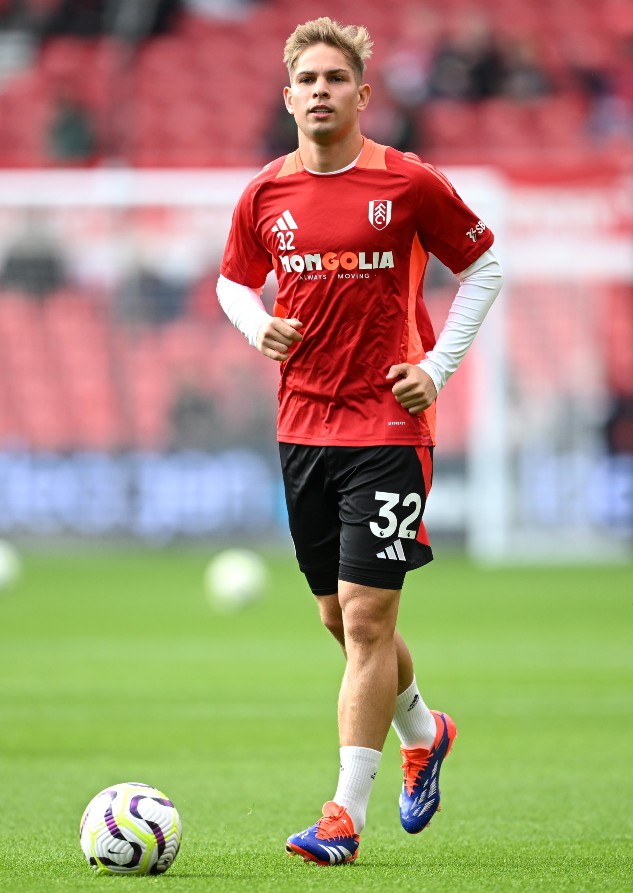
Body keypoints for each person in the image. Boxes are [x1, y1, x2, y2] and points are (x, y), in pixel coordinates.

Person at [216, 17, 502, 864]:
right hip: (303, 426)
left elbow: (483, 264)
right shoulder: (265, 193)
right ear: (287, 96)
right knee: (338, 617)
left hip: (389, 425)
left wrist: (438, 367)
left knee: (371, 619)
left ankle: (344, 815)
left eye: (336, 79)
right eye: (306, 79)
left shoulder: (409, 183)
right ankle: (426, 729)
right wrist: (256, 324)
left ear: (362, 95)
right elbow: (232, 278)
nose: (320, 91)